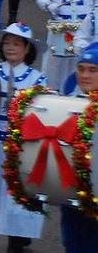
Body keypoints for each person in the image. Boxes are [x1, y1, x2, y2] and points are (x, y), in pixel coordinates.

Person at [0, 23, 46, 253]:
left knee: (20, 191)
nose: (11, 47)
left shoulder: (38, 78)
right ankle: (15, 234)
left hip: (23, 146)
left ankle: (17, 240)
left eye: (17, 44)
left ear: (27, 49)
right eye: (7, 43)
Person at [60, 42, 98, 252]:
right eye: (81, 69)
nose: (85, 75)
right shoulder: (68, 102)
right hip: (73, 193)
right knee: (73, 243)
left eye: (93, 70)